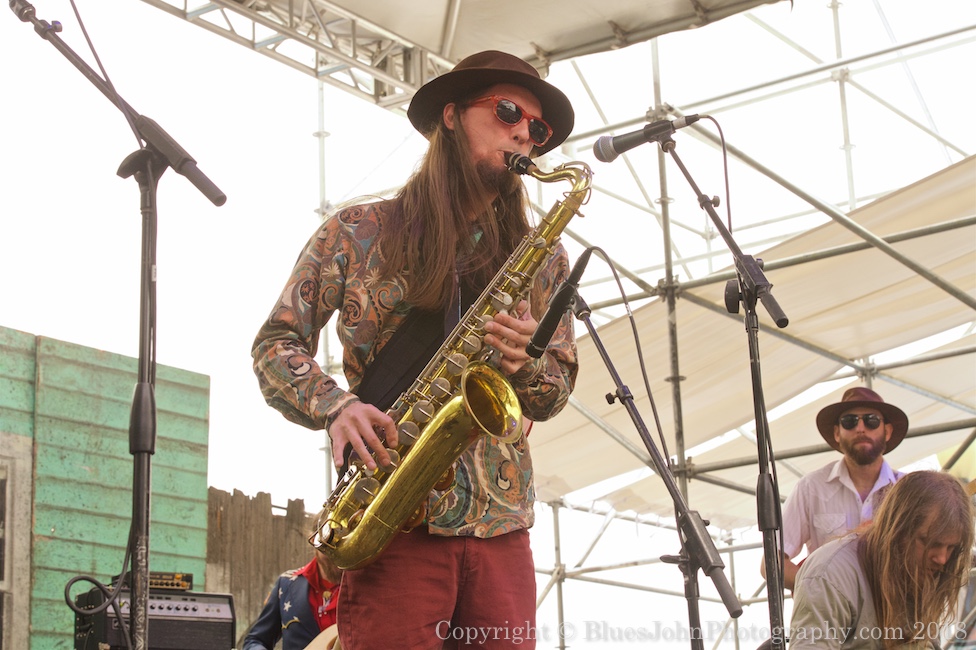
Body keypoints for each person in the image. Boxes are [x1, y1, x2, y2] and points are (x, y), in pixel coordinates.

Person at [251, 49, 579, 649]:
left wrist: (524, 363)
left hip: (502, 526)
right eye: (509, 111)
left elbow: (555, 390)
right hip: (392, 516)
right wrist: (337, 407)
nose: (524, 133)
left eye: (538, 128)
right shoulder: (355, 233)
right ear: (450, 115)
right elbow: (276, 343)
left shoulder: (544, 256)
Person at [789, 470, 975, 649]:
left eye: (951, 547)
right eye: (929, 542)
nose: (942, 558)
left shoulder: (920, 570)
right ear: (898, 530)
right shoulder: (830, 576)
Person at [762, 386, 909, 590]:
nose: (860, 428)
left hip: (893, 616)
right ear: (837, 433)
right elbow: (770, 563)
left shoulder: (908, 491)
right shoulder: (810, 488)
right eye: (849, 421)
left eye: (871, 420)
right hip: (829, 619)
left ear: (888, 431)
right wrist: (820, 591)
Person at [243, 511, 343, 650]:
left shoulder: (368, 589)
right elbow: (256, 640)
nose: (335, 557)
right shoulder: (287, 584)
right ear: (313, 539)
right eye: (329, 546)